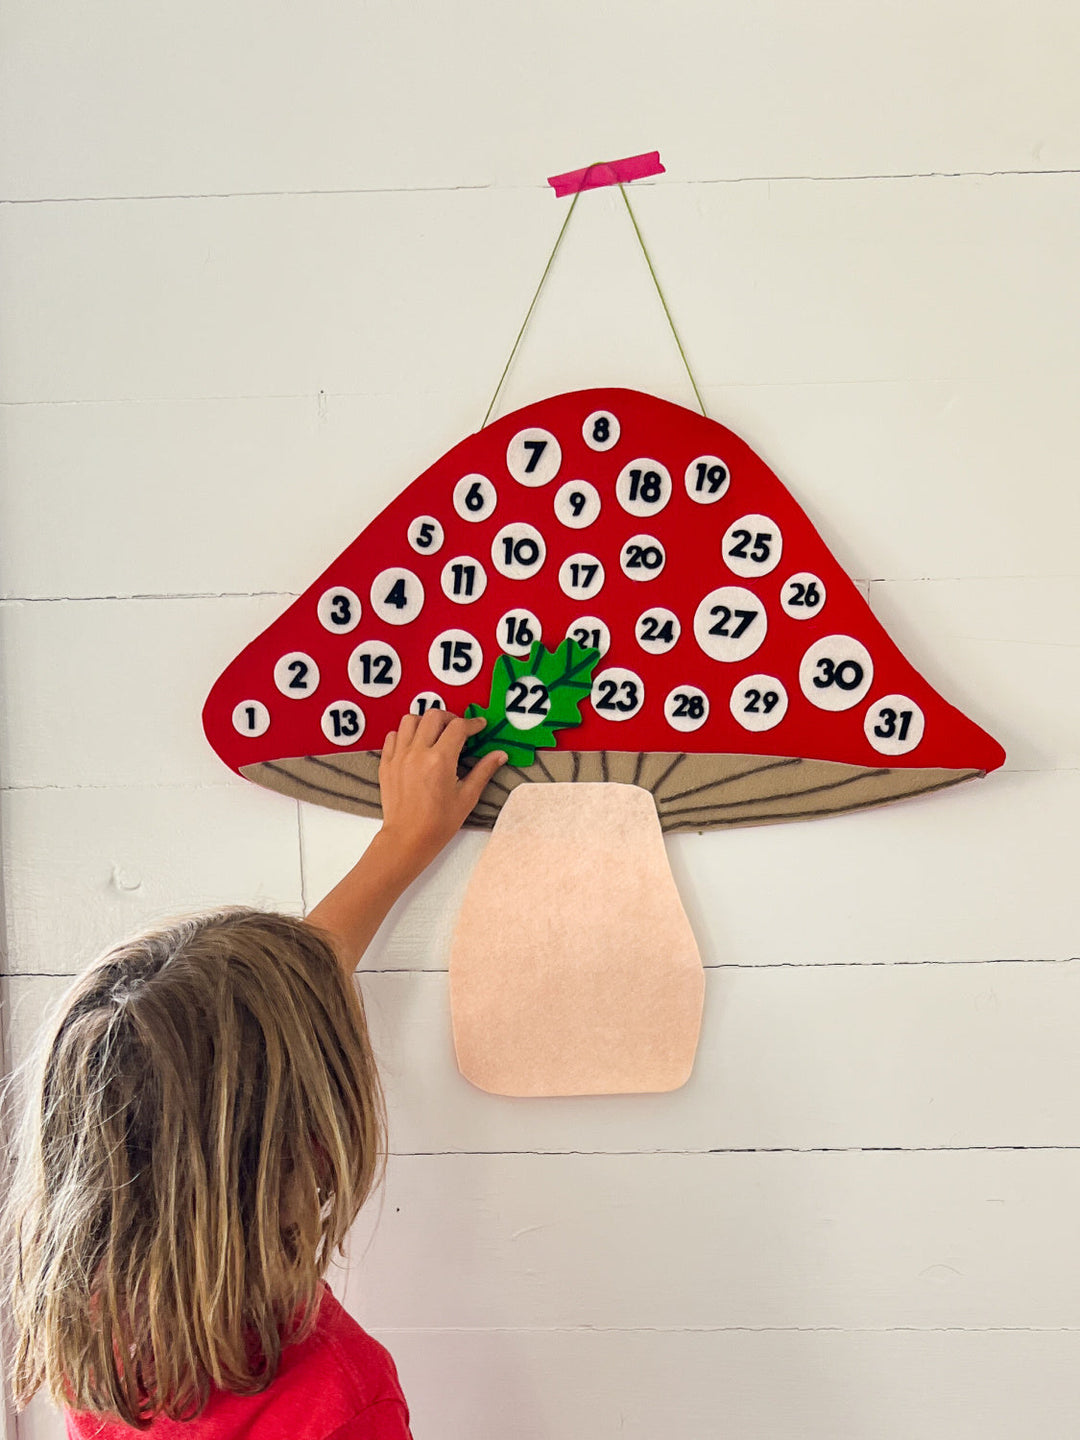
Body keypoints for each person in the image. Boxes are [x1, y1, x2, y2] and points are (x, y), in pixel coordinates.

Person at [2, 710, 507, 1438]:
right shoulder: (338, 1397)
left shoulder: (97, 1323)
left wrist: (401, 844)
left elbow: (226, 1041)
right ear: (313, 1146)